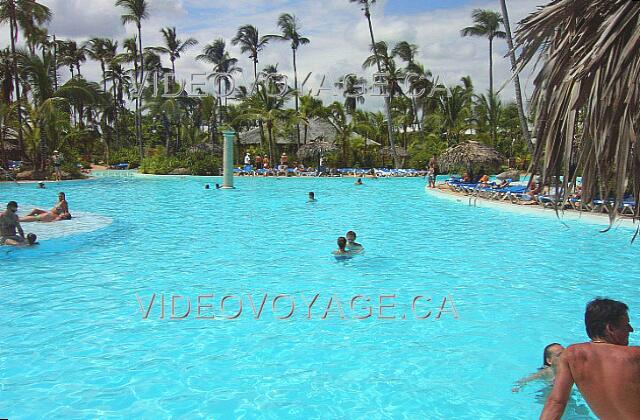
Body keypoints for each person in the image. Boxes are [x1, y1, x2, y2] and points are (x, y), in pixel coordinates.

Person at [541, 298, 640, 419]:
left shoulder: (572, 355)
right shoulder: (635, 355)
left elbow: (556, 403)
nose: (631, 329)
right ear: (610, 328)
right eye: (626, 324)